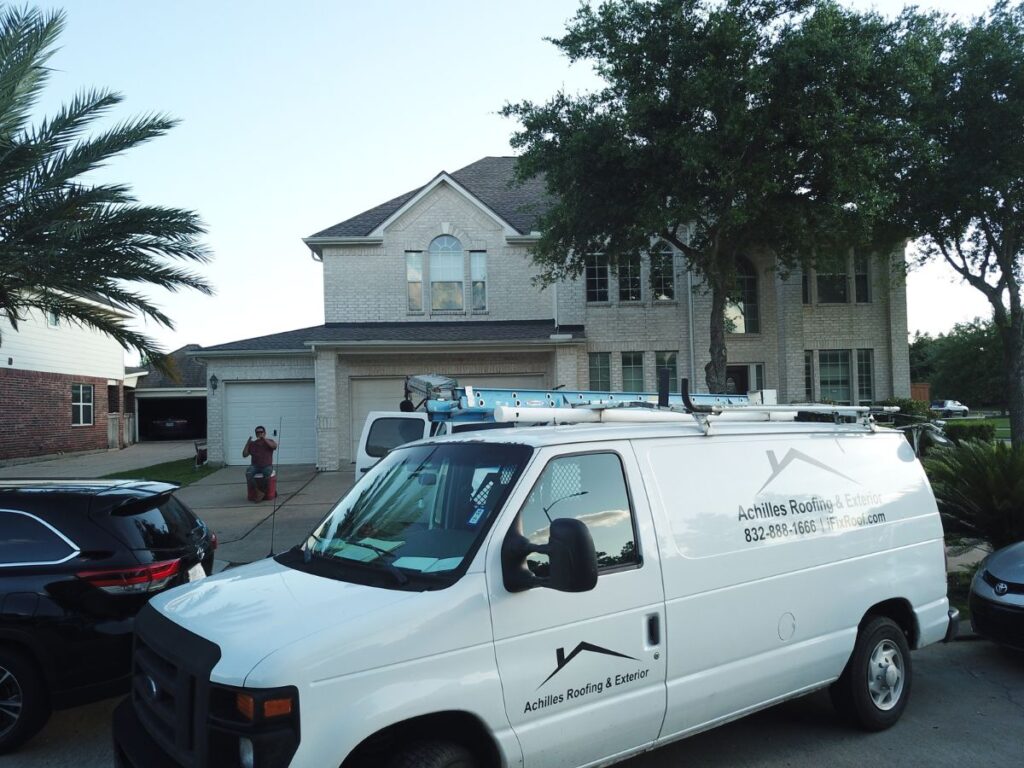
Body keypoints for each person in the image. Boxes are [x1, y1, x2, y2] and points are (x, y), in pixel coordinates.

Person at [242, 426, 277, 501]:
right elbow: (244, 455)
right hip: (255, 466)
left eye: (261, 432)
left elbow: (274, 446)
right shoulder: (253, 444)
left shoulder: (269, 441)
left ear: (264, 433)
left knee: (267, 473)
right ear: (256, 434)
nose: (259, 433)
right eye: (258, 432)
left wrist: (264, 439)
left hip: (267, 465)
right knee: (248, 473)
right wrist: (248, 443)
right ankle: (258, 491)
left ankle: (263, 492)